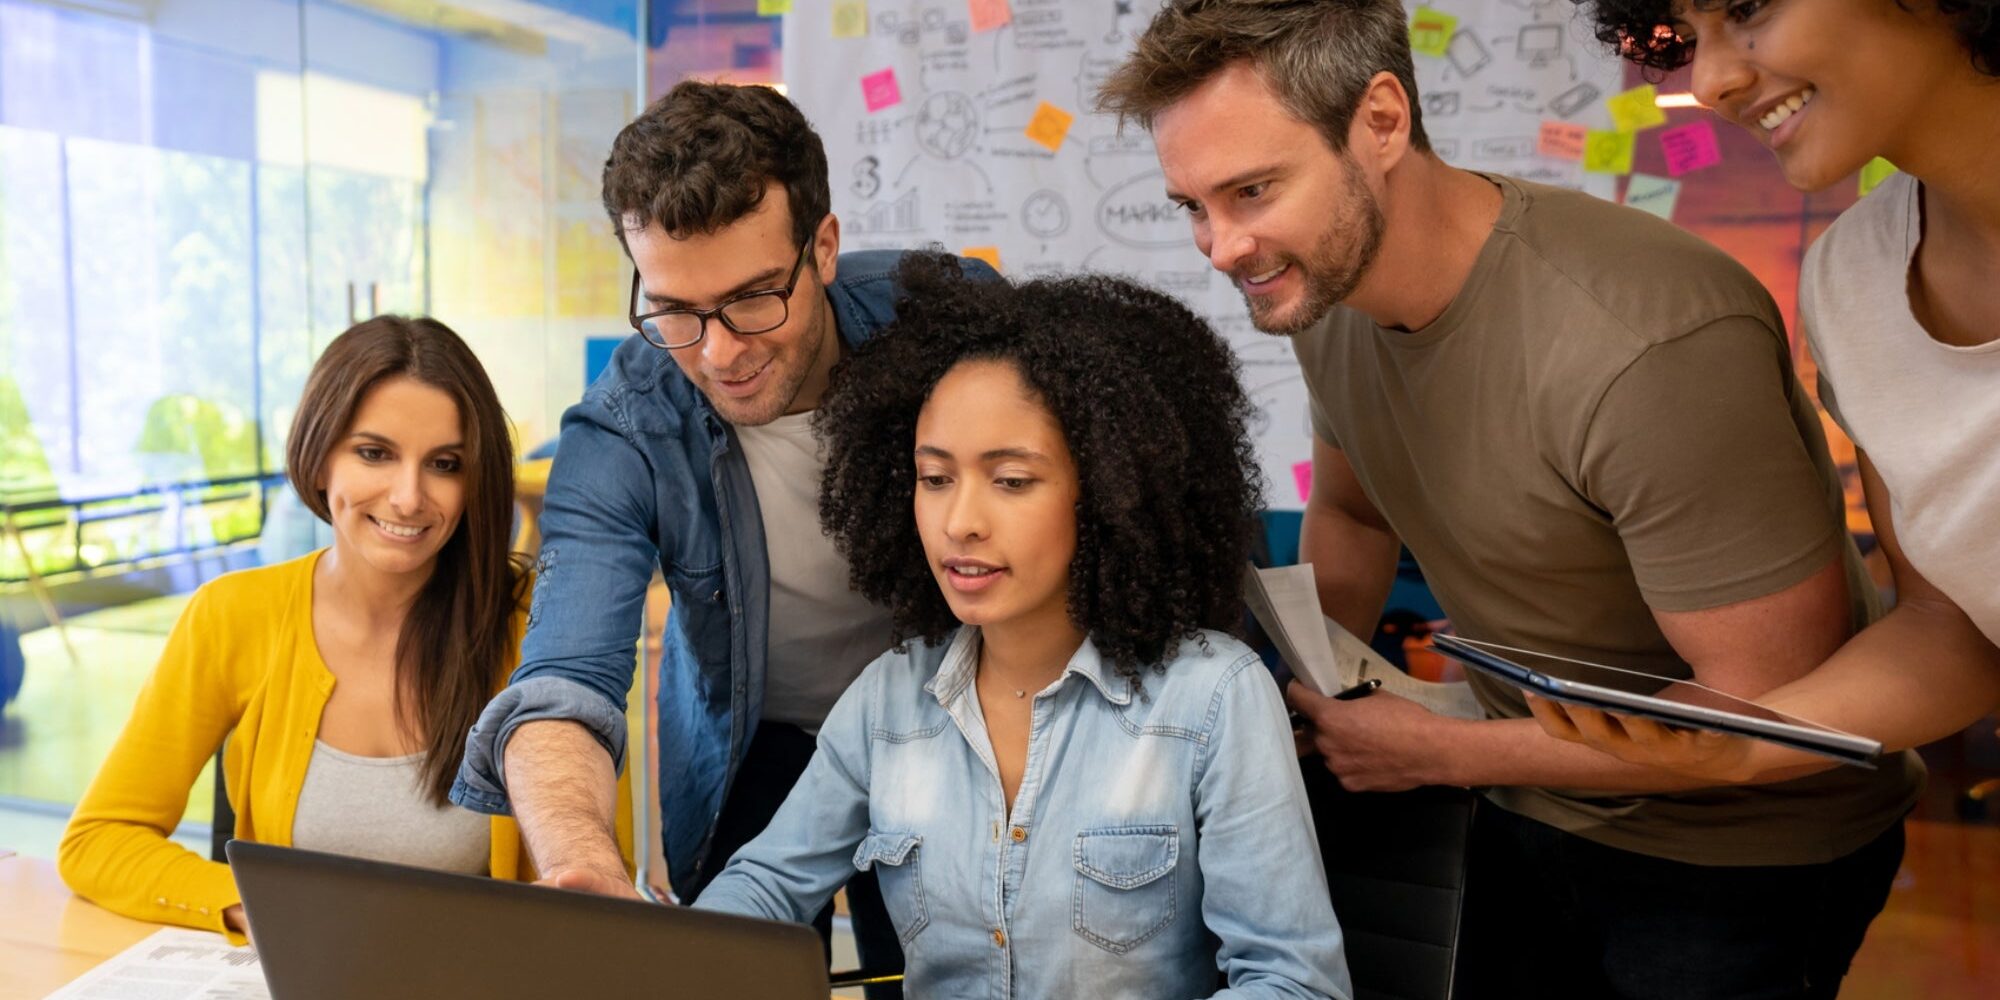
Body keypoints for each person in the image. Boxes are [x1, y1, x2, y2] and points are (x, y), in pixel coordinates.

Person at [1097, 1, 1922, 996]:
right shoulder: (1328, 295)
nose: (1221, 248)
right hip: (1521, 792)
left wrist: (1444, 752)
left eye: (1253, 191)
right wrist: (1308, 695)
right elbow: (1355, 515)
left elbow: (1762, 708)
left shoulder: (1645, 342)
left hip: (1739, 850)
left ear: (1381, 121)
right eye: (1192, 205)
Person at [448, 80, 992, 989]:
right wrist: (582, 864)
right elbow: (563, 682)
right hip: (752, 745)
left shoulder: (947, 321)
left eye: (752, 299)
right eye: (675, 309)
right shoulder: (626, 423)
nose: (719, 352)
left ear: (823, 247)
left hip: (950, 723)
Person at [692, 253, 1351, 999]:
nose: (960, 522)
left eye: (1011, 481)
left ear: (1108, 490)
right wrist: (667, 958)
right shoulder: (888, 699)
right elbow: (763, 888)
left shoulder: (1214, 700)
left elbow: (1294, 984)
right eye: (935, 478)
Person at [1526, 0, 2000, 785]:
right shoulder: (1853, 281)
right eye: (1688, 38)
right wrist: (1739, 742)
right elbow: (1953, 629)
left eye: (1748, 6)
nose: (1711, 80)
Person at [58, 316, 602, 944]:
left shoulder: (543, 626)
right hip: (296, 973)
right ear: (319, 461)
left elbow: (593, 887)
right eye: (374, 453)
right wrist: (254, 907)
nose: (408, 497)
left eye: (444, 464)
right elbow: (99, 838)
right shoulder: (232, 615)